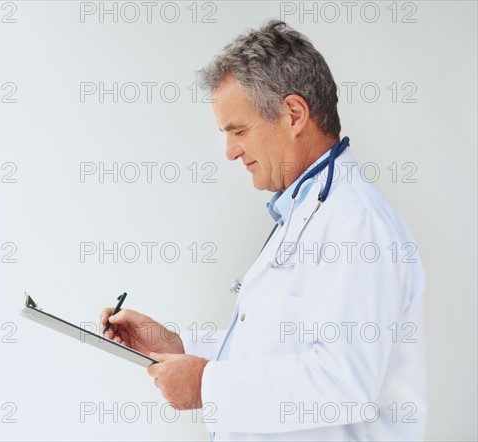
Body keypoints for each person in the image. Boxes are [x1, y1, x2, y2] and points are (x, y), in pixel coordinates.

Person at [100, 20, 426, 441]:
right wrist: (177, 346)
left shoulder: (356, 224)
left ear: (293, 114)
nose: (231, 151)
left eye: (238, 131)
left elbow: (346, 381)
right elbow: (271, 350)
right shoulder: (305, 212)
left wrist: (206, 385)